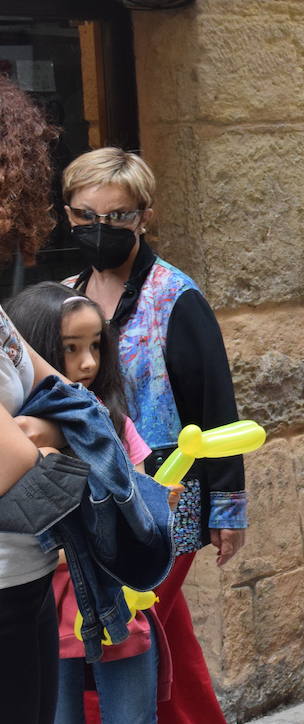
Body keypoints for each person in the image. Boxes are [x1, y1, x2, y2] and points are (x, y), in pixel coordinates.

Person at [62, 148, 245, 724]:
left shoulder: (176, 297)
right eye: (86, 217)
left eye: (116, 216)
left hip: (166, 497)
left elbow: (216, 405)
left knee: (128, 635)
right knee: (165, 635)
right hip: (94, 501)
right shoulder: (65, 296)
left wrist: (229, 509)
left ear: (144, 215)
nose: (101, 229)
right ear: (68, 216)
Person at [6, 284, 162, 724]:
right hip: (47, 596)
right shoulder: (24, 430)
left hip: (114, 593)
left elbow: (140, 495)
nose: (88, 362)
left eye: (96, 346)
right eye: (70, 349)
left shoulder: (109, 420)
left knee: (132, 712)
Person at [0, 76, 84, 724]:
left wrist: (46, 433)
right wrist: (52, 439)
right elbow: (27, 485)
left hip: (24, 586)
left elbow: (79, 405)